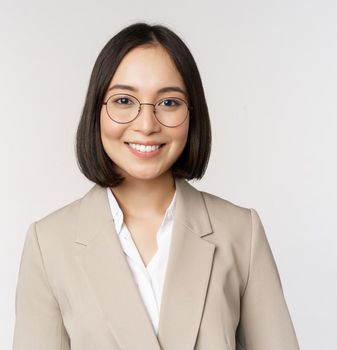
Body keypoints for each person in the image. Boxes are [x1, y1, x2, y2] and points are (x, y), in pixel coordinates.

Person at [13, 22, 300, 349]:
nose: (147, 124)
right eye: (123, 100)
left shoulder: (241, 233)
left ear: (192, 114)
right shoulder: (49, 244)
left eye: (168, 102)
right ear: (97, 112)